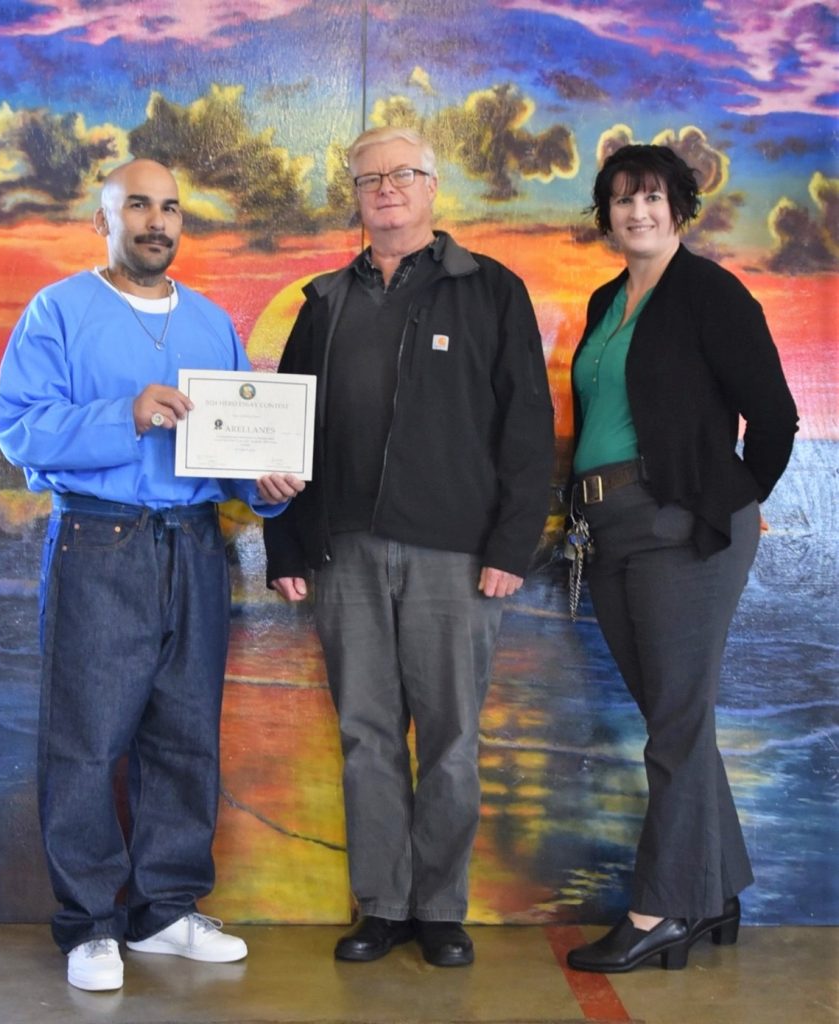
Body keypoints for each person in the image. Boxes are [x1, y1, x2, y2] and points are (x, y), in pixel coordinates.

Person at [0, 159, 304, 992]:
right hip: (100, 540)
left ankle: (165, 910)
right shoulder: (58, 310)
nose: (155, 221)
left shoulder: (209, 322)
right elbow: (17, 431)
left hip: (196, 546)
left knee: (185, 732)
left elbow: (232, 450)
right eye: (137, 205)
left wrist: (264, 486)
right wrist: (122, 415)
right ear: (104, 218)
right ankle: (90, 922)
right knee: (88, 738)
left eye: (169, 208)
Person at [263, 127, 555, 967]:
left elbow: (526, 430)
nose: (385, 189)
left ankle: (439, 909)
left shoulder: (491, 290)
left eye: (402, 175)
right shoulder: (322, 301)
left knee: (453, 738)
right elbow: (279, 429)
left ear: (432, 187)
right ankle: (382, 906)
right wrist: (284, 545)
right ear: (352, 196)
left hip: (456, 555)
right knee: (365, 733)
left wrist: (511, 546)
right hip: (343, 549)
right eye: (368, 179)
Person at [564, 144, 798, 973]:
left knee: (670, 726)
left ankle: (660, 909)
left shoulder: (710, 293)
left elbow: (774, 420)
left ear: (679, 208)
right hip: (607, 532)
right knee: (679, 721)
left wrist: (729, 504)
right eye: (621, 199)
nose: (637, 212)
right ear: (606, 213)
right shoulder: (603, 300)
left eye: (653, 198)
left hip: (682, 532)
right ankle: (715, 892)